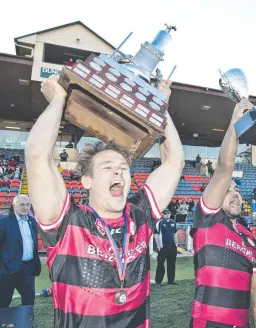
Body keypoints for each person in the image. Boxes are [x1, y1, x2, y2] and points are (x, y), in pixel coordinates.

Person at [25, 75, 184, 327]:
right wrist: (58, 99)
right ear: (86, 181)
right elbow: (37, 157)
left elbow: (174, 162)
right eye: (107, 167)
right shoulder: (67, 223)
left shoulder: (140, 215)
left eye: (123, 167)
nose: (118, 172)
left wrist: (161, 105)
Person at [190, 99, 256, 328]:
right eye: (227, 190)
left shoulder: (250, 238)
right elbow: (224, 168)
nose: (234, 194)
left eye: (237, 189)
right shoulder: (207, 219)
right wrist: (235, 123)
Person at [0, 195, 41, 308]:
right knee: (3, 301)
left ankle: (28, 324)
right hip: (8, 269)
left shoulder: (32, 221)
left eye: (27, 204)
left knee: (29, 300)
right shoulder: (3, 221)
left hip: (28, 269)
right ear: (14, 205)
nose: (25, 207)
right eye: (22, 204)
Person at [154, 208, 178, 287]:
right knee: (160, 265)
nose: (167, 214)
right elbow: (156, 234)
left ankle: (171, 280)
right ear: (162, 214)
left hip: (172, 247)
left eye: (168, 213)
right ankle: (158, 282)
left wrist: (176, 244)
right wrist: (158, 246)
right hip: (163, 247)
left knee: (172, 264)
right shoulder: (159, 223)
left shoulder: (173, 223)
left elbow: (175, 233)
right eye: (165, 213)